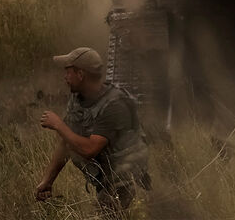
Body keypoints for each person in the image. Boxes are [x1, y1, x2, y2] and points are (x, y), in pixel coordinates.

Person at [36, 47, 150, 211]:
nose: (65, 77)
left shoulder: (114, 105)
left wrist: (58, 125)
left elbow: (90, 149)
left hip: (127, 180)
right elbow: (66, 142)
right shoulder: (78, 98)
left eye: (68, 72)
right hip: (107, 178)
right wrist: (47, 181)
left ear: (80, 74)